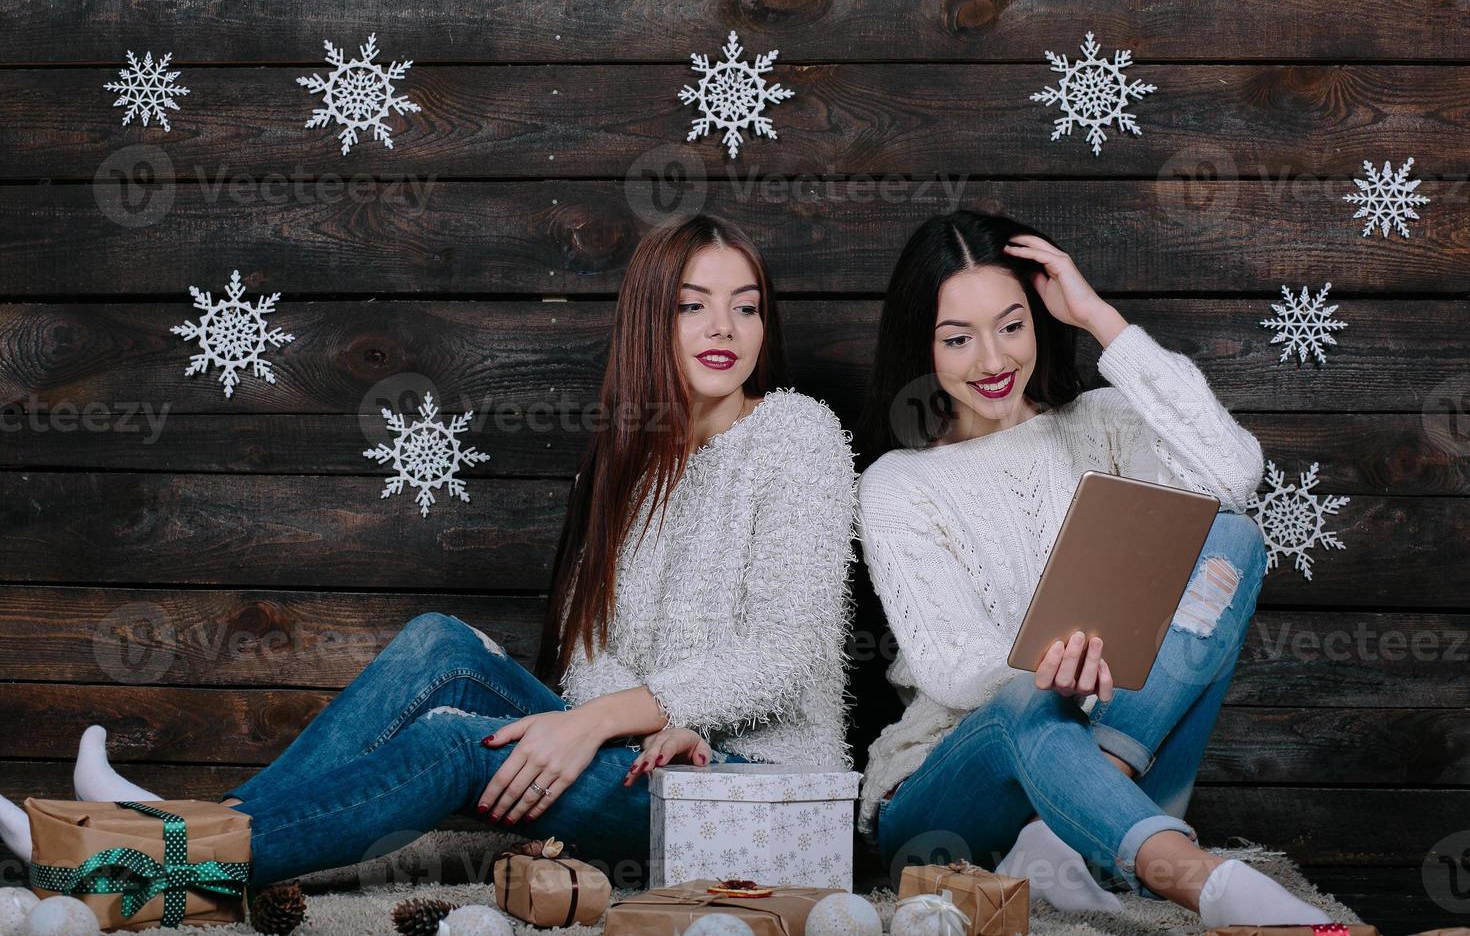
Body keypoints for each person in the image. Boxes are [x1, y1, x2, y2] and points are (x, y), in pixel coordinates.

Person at [0, 214, 859, 892]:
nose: (725, 327)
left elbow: (787, 654)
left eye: (745, 304)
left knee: (458, 740)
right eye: (693, 304)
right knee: (437, 645)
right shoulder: (624, 473)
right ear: (650, 319)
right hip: (646, 765)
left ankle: (150, 850)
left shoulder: (795, 433)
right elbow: (595, 662)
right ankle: (187, 834)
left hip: (756, 800)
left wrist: (614, 721)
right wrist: (628, 717)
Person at [853, 210, 1334, 925]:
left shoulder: (1104, 421)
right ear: (921, 345)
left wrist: (1099, 317)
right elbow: (950, 665)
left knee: (1231, 539)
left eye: (1011, 325)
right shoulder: (898, 483)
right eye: (958, 339)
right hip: (948, 801)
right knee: (1029, 700)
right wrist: (1052, 667)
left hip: (1108, 755)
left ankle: (1069, 831)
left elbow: (1233, 474)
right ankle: (1206, 884)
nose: (992, 360)